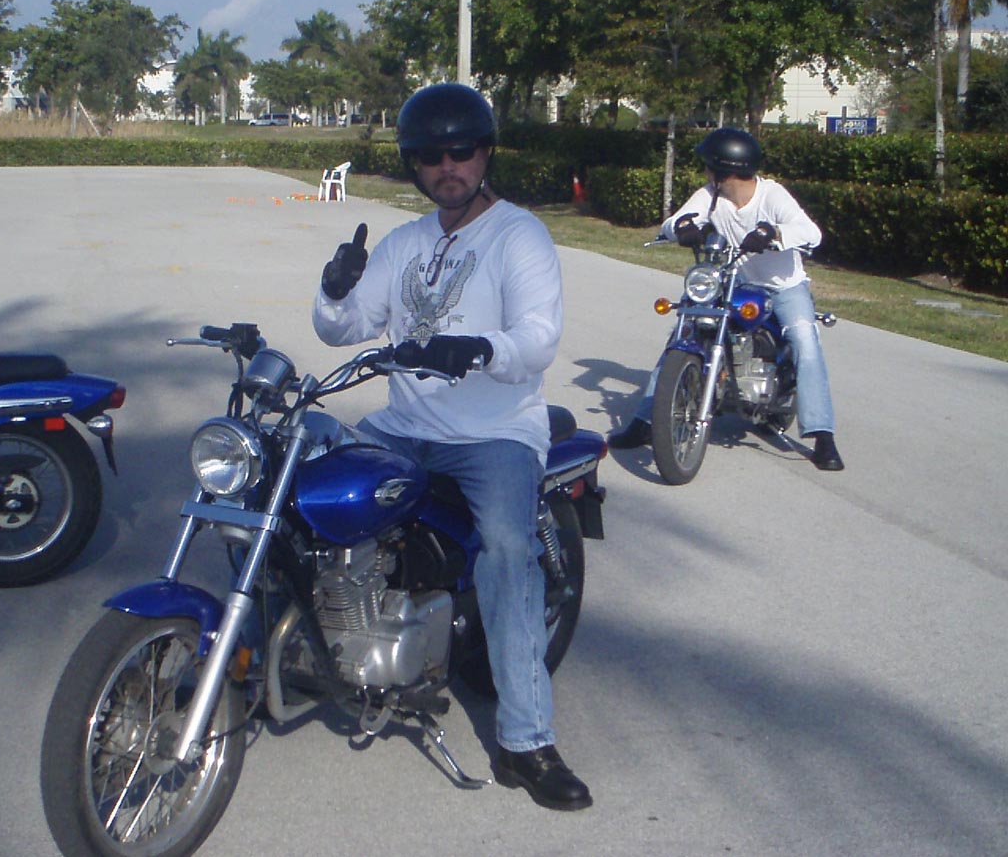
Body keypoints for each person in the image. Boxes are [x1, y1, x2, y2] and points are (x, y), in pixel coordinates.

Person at [312, 83, 592, 811]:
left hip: (495, 432)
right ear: (414, 165)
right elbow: (344, 329)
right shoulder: (405, 242)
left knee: (506, 549)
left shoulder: (519, 235)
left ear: (485, 152)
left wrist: (480, 348)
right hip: (404, 425)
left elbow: (538, 339)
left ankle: (527, 741)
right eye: (430, 156)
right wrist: (335, 290)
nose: (448, 167)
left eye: (460, 152)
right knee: (309, 493)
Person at [608, 126, 844, 471]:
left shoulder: (772, 195)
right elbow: (675, 220)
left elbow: (811, 232)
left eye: (708, 166)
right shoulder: (711, 196)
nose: (705, 172)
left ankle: (822, 435)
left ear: (723, 170)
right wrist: (682, 227)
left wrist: (774, 233)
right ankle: (646, 421)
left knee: (804, 340)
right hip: (732, 280)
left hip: (783, 286)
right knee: (683, 332)